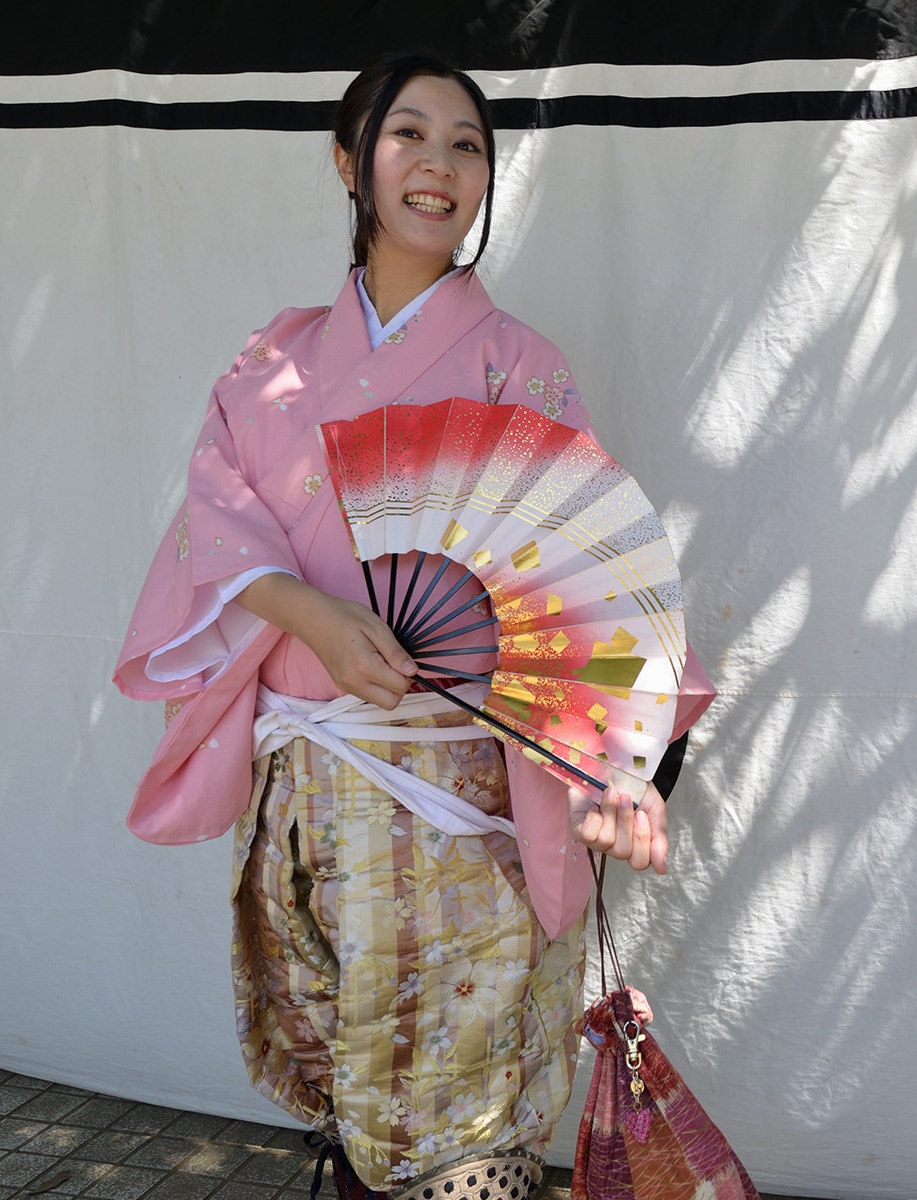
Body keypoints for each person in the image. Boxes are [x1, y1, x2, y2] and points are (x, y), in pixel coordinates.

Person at [113, 53, 715, 1200]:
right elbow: (221, 524)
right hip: (309, 802)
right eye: (409, 135)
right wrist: (317, 618)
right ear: (349, 161)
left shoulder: (518, 367)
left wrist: (625, 763)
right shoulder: (271, 363)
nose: (439, 165)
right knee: (349, 1096)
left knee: (461, 1123)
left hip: (462, 805)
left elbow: (579, 581)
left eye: (468, 144)